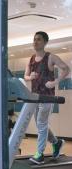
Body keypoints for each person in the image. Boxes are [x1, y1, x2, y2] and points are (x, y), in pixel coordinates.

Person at [24, 31, 70, 164]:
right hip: (35, 97)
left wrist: (55, 82)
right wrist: (30, 77)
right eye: (34, 39)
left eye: (38, 39)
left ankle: (40, 154)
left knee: (42, 124)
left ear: (45, 42)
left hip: (47, 97)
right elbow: (26, 76)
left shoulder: (51, 57)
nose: (35, 42)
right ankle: (56, 142)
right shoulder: (31, 59)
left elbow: (66, 69)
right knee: (40, 125)